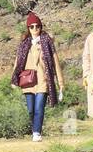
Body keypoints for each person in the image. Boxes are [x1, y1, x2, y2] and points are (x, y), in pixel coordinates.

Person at [10, 11, 64, 142]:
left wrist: (61, 84)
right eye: (32, 26)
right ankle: (35, 129)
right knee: (30, 110)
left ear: (41, 27)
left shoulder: (47, 43)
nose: (35, 29)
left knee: (39, 108)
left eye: (37, 26)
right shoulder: (24, 44)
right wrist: (13, 79)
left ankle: (37, 132)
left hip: (43, 80)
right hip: (28, 81)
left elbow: (56, 63)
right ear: (28, 28)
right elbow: (18, 63)